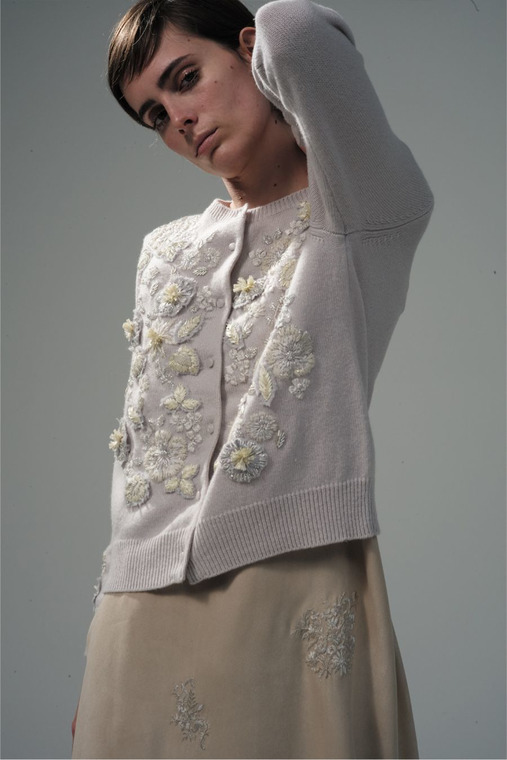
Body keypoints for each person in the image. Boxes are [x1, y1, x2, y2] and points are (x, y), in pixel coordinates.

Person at [72, 0, 434, 756]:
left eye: (185, 78)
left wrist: (261, 43)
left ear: (248, 50)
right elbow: (142, 454)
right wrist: (98, 650)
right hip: (137, 611)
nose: (178, 120)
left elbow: (297, 30)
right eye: (154, 114)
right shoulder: (165, 251)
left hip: (293, 587)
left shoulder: (361, 211)